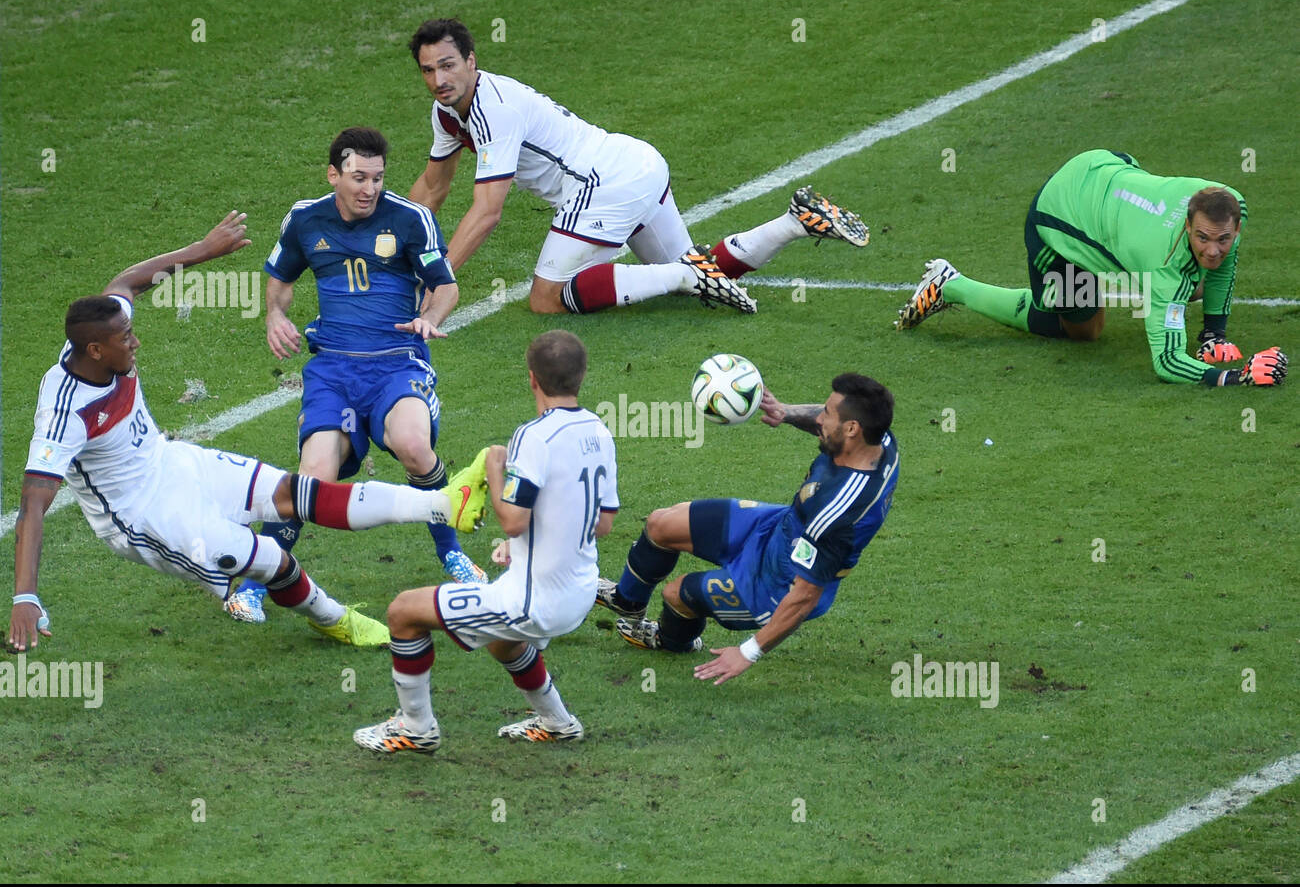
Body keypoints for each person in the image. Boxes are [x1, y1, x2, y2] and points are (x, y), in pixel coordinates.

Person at [9, 213, 485, 653]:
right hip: (144, 515)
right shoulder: (64, 413)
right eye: (124, 340)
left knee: (297, 493)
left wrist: (205, 247)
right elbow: (33, 504)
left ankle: (443, 504)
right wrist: (25, 597)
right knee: (273, 561)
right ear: (94, 349)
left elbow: (125, 282)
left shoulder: (104, 331)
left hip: (173, 462)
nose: (135, 341)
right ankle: (334, 618)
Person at [406, 18, 869, 317]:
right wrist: (388, 242)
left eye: (447, 65)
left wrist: (441, 277)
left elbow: (488, 211)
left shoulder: (495, 108)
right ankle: (793, 222)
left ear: (471, 60)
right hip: (636, 164)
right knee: (687, 268)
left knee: (546, 298)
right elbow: (432, 187)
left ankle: (688, 274)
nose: (439, 80)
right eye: (428, 71)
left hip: (603, 185)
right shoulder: (448, 112)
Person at [224, 127, 489, 625]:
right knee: (313, 481)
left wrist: (430, 318)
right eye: (359, 177)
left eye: (378, 177)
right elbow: (280, 282)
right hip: (333, 371)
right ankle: (259, 580)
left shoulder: (411, 219)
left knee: (413, 445)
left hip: (397, 363)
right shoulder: (306, 219)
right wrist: (274, 316)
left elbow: (446, 288)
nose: (370, 188)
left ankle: (452, 554)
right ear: (334, 174)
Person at [353, 330, 617, 753]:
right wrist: (526, 548)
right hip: (580, 593)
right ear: (582, 376)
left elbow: (512, 520)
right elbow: (601, 523)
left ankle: (416, 727)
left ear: (531, 378)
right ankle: (556, 721)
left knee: (403, 612)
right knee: (502, 639)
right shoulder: (599, 431)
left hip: (534, 602)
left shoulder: (534, 436)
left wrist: (495, 467)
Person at [594, 374, 898, 686]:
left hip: (774, 584)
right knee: (661, 523)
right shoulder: (880, 439)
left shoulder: (837, 513)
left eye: (827, 414)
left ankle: (671, 641)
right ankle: (628, 601)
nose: (819, 418)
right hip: (778, 527)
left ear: (851, 429)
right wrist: (786, 412)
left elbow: (805, 596)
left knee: (677, 594)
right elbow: (826, 425)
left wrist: (748, 652)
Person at [894, 149, 1288, 387]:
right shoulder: (1164, 266)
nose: (1215, 249)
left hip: (1105, 166)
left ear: (1237, 225)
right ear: (1187, 224)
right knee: (1084, 328)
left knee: (1196, 277)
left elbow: (1222, 259)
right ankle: (951, 284)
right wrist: (1233, 378)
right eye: (1202, 238)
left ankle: (1107, 251)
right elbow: (1167, 363)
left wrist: (1212, 335)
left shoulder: (1231, 202)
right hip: (1059, 213)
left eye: (1223, 238)